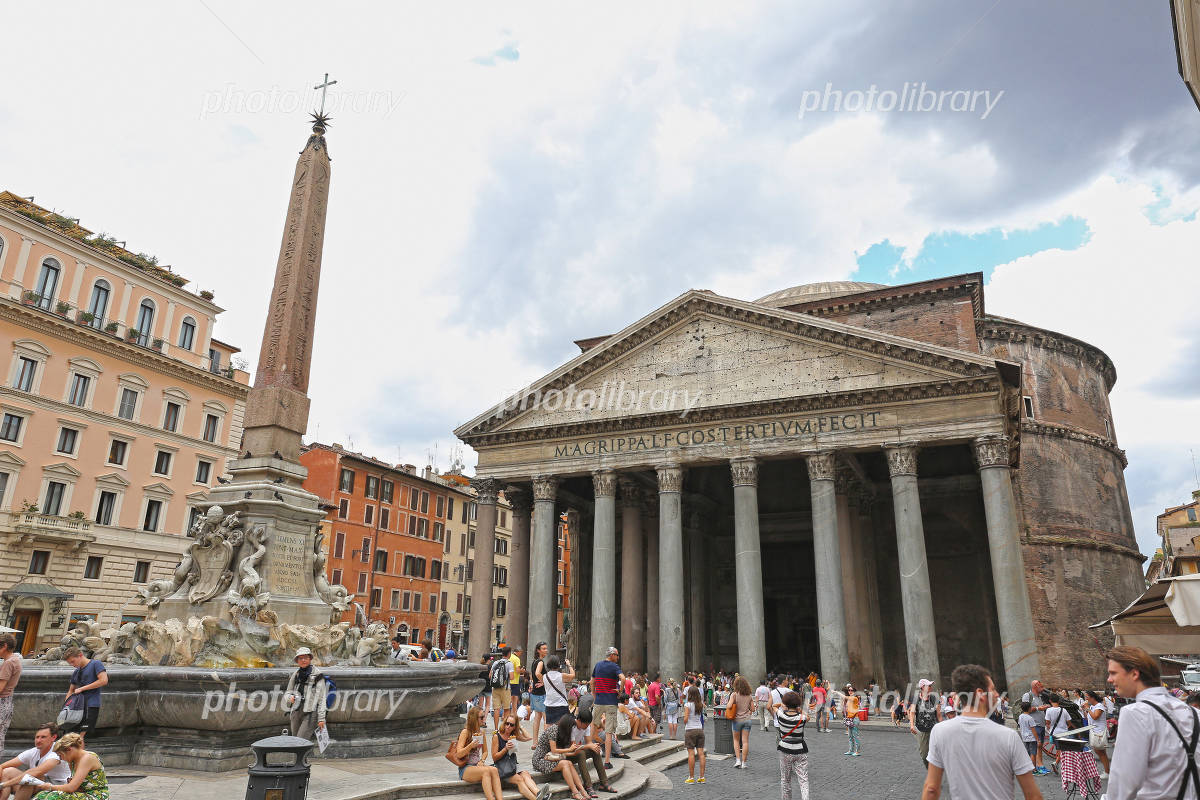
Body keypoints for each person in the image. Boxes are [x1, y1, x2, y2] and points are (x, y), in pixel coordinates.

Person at [921, 664, 1042, 800]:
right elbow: (1033, 796)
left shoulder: (940, 731)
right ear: (980, 693)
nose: (997, 694)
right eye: (993, 689)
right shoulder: (1009, 737)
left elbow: (931, 789)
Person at [1106, 645, 1200, 800]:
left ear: (1134, 673)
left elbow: (1123, 783)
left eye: (1113, 673)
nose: (1110, 679)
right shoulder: (1194, 714)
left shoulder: (1135, 713)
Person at [24, 732, 108, 800]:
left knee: (54, 797)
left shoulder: (87, 758)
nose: (61, 759)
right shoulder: (72, 761)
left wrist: (50, 787)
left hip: (95, 795)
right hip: (81, 792)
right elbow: (74, 786)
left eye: (60, 755)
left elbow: (71, 788)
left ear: (69, 750)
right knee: (42, 795)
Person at [0, 723, 72, 800]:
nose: (38, 740)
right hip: (37, 785)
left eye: (43, 737)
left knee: (30, 779)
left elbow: (35, 772)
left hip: (57, 787)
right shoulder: (33, 751)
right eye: (37, 737)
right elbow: (2, 766)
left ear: (53, 737)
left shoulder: (57, 752)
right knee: (7, 771)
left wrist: (3, 785)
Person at [491, 714, 549, 800]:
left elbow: (528, 737)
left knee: (526, 774)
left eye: (511, 725)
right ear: (504, 723)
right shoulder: (497, 736)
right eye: (507, 723)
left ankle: (538, 792)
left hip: (513, 764)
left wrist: (520, 726)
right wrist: (505, 748)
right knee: (519, 779)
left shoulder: (513, 736)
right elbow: (494, 757)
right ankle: (537, 798)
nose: (508, 726)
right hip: (502, 766)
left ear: (514, 727)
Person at [531, 714, 589, 800]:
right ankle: (575, 792)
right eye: (572, 726)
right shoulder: (553, 729)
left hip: (550, 758)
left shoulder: (562, 732)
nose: (573, 729)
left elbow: (559, 752)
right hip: (540, 759)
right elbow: (554, 750)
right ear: (567, 725)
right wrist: (570, 749)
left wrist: (573, 753)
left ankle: (582, 790)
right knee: (565, 764)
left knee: (569, 763)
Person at [455, 706, 503, 800]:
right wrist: (470, 746)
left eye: (484, 716)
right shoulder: (465, 732)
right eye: (481, 717)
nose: (483, 719)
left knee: (494, 770)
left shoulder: (481, 733)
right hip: (466, 767)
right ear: (474, 719)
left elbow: (485, 751)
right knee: (486, 772)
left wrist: (482, 760)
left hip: (477, 765)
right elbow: (459, 754)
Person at [567, 710, 617, 795]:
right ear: (578, 720)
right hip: (567, 753)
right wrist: (589, 746)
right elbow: (572, 747)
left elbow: (589, 742)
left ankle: (604, 783)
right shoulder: (572, 726)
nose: (587, 726)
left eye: (588, 724)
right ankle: (588, 786)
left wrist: (594, 746)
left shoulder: (586, 726)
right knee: (581, 753)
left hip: (576, 750)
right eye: (585, 724)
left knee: (595, 750)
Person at [284, 647, 327, 740]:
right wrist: (289, 698)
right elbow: (288, 692)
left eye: (305, 657)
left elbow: (322, 698)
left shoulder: (318, 674)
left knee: (301, 740)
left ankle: (303, 754)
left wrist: (321, 719)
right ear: (297, 660)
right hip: (296, 712)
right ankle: (302, 754)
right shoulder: (296, 674)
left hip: (310, 713)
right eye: (300, 658)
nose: (303, 660)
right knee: (295, 740)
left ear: (310, 659)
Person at [62, 649, 106, 741]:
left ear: (80, 655)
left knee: (81, 737)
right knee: (70, 736)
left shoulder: (96, 664)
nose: (72, 665)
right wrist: (66, 706)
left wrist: (82, 688)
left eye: (73, 661)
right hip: (76, 709)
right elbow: (71, 690)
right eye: (70, 663)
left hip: (90, 707)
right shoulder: (77, 671)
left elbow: (104, 680)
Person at [590, 647, 624, 767]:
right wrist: (620, 691)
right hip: (610, 702)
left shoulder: (598, 665)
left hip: (599, 701)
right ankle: (607, 762)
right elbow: (623, 678)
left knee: (593, 727)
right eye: (617, 655)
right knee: (609, 733)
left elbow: (592, 682)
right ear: (612, 655)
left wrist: (594, 696)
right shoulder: (614, 667)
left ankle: (591, 755)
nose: (618, 658)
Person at [776, 690, 809, 800]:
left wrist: (782, 706)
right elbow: (807, 717)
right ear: (797, 704)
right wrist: (800, 710)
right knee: (803, 779)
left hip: (785, 749)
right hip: (800, 749)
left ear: (785, 703)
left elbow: (772, 706)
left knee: (785, 780)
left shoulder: (780, 715)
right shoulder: (802, 718)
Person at [1021, 679, 1052, 776]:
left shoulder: (1040, 697)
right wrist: (1040, 708)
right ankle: (1037, 767)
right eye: (1041, 686)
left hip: (1041, 724)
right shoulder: (1027, 696)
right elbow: (1025, 709)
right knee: (1036, 746)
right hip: (1034, 725)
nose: (1043, 688)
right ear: (1035, 686)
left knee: (1040, 746)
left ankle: (1040, 766)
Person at [910, 678, 941, 767]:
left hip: (934, 729)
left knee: (936, 751)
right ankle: (930, 768)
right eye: (929, 686)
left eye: (931, 685)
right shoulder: (916, 699)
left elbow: (938, 714)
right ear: (923, 687)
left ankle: (934, 769)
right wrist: (912, 725)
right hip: (921, 730)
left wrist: (941, 726)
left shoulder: (934, 698)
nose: (931, 687)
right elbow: (912, 713)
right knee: (924, 755)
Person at [0, 634, 22, 753]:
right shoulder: (15, 659)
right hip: (7, 701)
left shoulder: (8, 663)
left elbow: (0, 687)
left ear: (4, 646)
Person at [682, 685, 706, 784]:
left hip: (690, 730)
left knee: (691, 754)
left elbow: (685, 719)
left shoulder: (688, 705)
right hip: (700, 729)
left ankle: (691, 778)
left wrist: (684, 719)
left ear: (689, 694)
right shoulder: (701, 704)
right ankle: (702, 777)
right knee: (701, 753)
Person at [1083, 690, 1110, 777]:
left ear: (1092, 697)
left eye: (1087, 697)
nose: (1086, 699)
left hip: (1099, 732)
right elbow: (1088, 718)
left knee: (1101, 752)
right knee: (1100, 752)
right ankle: (1107, 771)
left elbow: (1095, 717)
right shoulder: (1092, 707)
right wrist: (1085, 709)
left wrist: (1087, 708)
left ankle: (1107, 772)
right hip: (1094, 731)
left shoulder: (1099, 706)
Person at [730, 675, 755, 769]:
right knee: (745, 742)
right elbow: (752, 709)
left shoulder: (734, 694)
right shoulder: (749, 696)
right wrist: (747, 711)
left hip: (737, 720)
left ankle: (738, 760)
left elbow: (728, 706)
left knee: (736, 740)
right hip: (747, 720)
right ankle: (744, 763)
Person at [542, 656, 575, 727]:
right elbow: (572, 675)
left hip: (549, 704)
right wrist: (569, 665)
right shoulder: (561, 676)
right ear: (558, 665)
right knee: (563, 727)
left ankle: (549, 738)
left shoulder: (545, 676)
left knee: (548, 725)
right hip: (561, 704)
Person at [490, 648, 515, 730]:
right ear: (509, 654)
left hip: (495, 688)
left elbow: (490, 676)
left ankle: (496, 729)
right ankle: (505, 728)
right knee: (506, 709)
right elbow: (511, 677)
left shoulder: (496, 662)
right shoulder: (509, 663)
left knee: (496, 709)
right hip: (505, 688)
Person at [529, 643, 549, 743]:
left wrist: (538, 681)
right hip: (541, 693)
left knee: (537, 717)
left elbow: (532, 675)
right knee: (546, 718)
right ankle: (545, 742)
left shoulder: (534, 662)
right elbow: (537, 673)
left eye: (546, 648)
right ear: (538, 650)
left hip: (535, 693)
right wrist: (544, 681)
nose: (546, 650)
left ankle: (535, 742)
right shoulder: (540, 662)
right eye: (544, 649)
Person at [1017, 702, 1038, 770]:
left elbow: (1019, 725)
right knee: (1033, 753)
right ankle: (1033, 769)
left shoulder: (1020, 716)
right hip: (1031, 737)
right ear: (1029, 708)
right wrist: (1037, 739)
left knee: (1027, 752)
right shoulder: (1030, 718)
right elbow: (1033, 730)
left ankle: (1027, 767)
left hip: (1024, 737)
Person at [843, 684, 861, 756]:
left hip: (854, 719)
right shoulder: (849, 699)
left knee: (855, 736)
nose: (850, 691)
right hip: (850, 718)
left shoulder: (855, 698)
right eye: (849, 690)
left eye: (851, 690)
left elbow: (856, 710)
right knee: (850, 736)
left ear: (854, 692)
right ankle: (851, 750)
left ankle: (857, 751)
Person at [509, 646, 524, 716]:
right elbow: (518, 671)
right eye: (521, 653)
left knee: (508, 699)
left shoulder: (510, 656)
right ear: (518, 652)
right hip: (515, 681)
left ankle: (505, 715)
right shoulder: (517, 659)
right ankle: (514, 714)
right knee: (515, 699)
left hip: (508, 681)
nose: (521, 654)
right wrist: (522, 671)